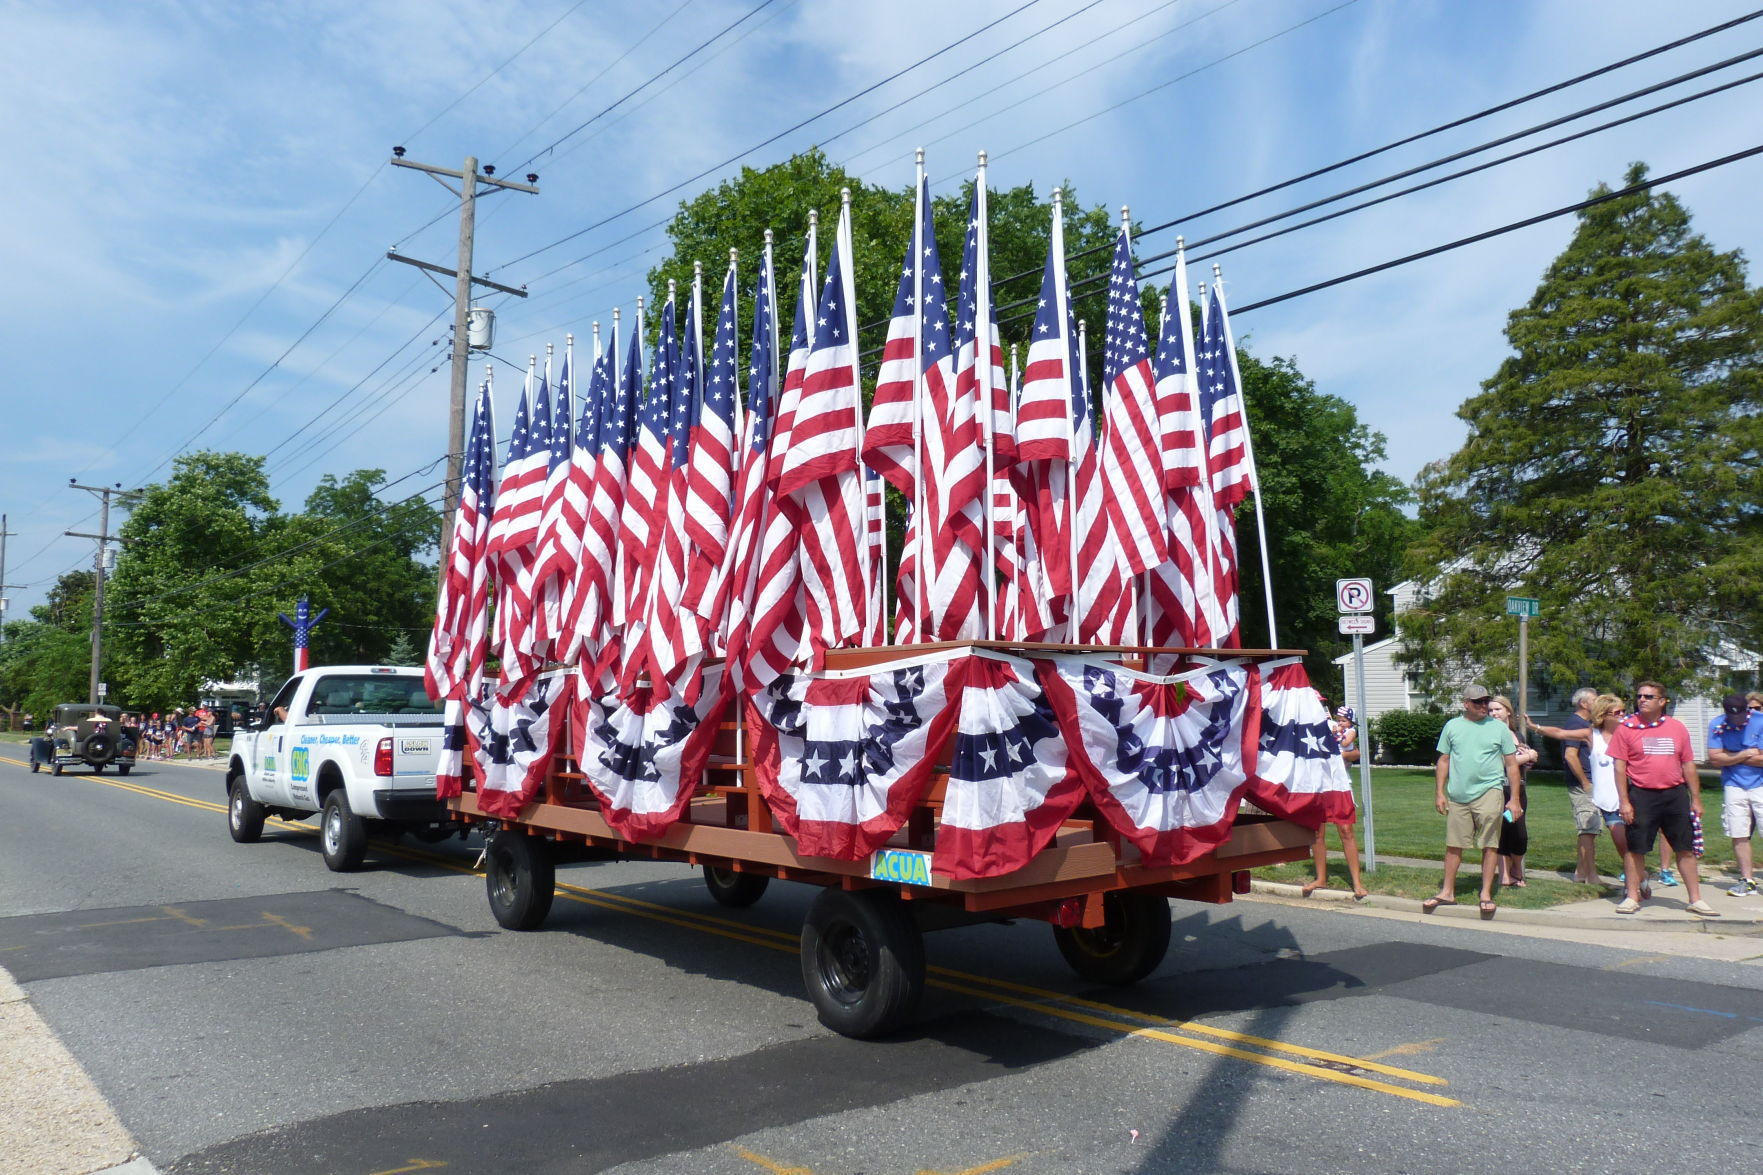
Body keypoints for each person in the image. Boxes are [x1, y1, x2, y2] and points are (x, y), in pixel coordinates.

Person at [1610, 681, 1717, 916]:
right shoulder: (1626, 728)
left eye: (1649, 696)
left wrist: (1696, 798)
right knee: (1635, 847)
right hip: (1642, 794)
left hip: (1674, 794)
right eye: (1639, 696)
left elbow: (1688, 764)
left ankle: (1695, 899)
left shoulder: (1676, 728)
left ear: (1662, 701)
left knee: (1684, 847)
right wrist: (1624, 801)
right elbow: (1619, 768)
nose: (1642, 700)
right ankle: (1631, 896)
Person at [1426, 684, 1522, 917]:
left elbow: (1511, 765)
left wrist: (1515, 800)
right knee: (1454, 844)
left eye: (1486, 702)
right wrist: (1440, 793)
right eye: (1478, 702)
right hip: (1458, 795)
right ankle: (1447, 892)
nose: (1484, 706)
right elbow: (1444, 761)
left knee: (1489, 844)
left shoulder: (1498, 728)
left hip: (1490, 790)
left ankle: (1486, 894)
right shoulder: (1452, 726)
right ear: (1466, 703)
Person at [1529, 687, 1603, 884]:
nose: (1599, 703)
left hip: (1590, 782)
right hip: (1583, 784)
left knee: (1589, 830)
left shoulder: (1586, 724)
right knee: (1588, 829)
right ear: (1584, 703)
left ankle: (1580, 872)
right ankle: (1591, 876)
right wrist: (1585, 782)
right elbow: (1570, 755)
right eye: (1595, 700)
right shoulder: (1575, 723)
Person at [1302, 708, 1370, 900]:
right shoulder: (1309, 730)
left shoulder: (1337, 730)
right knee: (1317, 831)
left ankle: (1357, 883)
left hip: (1340, 785)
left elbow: (1355, 753)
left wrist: (1337, 755)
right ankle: (1321, 878)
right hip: (1318, 785)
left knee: (1346, 830)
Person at [1706, 692, 1763, 897]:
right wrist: (1745, 754)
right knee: (1738, 832)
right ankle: (1747, 879)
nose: (1737, 722)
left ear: (1748, 709)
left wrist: (1729, 757)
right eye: (1732, 717)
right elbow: (1714, 758)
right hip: (1733, 784)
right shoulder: (1717, 724)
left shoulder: (1760, 721)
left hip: (1760, 783)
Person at [1488, 696, 1539, 886]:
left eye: (1497, 709)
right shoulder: (1490, 734)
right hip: (1499, 788)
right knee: (1504, 830)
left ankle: (1516, 867)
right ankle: (1505, 875)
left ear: (1508, 711)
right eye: (1490, 710)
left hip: (1519, 789)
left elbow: (1519, 763)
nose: (1493, 713)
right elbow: (1499, 762)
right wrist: (1527, 756)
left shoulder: (1518, 735)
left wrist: (1530, 759)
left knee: (1519, 833)